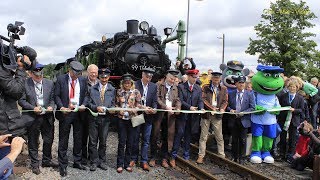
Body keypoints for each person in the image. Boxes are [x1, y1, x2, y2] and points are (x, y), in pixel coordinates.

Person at [18, 63, 57, 174]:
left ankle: (46, 160)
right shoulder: (25, 84)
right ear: (31, 74)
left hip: (47, 117)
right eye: (37, 75)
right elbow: (21, 101)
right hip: (32, 117)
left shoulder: (49, 83)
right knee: (33, 141)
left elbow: (53, 98)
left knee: (48, 140)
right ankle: (34, 163)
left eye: (41, 75)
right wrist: (32, 108)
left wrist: (51, 106)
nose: (39, 77)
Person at [54, 61, 88, 176]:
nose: (77, 76)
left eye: (79, 74)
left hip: (78, 113)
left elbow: (86, 95)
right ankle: (62, 165)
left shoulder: (83, 80)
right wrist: (61, 107)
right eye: (75, 74)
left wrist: (83, 104)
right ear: (70, 70)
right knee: (63, 139)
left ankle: (77, 161)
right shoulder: (61, 79)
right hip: (65, 113)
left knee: (78, 139)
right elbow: (56, 96)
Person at [171, 69, 204, 166]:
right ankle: (173, 155)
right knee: (179, 134)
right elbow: (180, 100)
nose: (195, 79)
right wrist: (189, 107)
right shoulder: (181, 87)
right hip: (183, 116)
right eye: (193, 77)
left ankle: (186, 155)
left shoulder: (198, 88)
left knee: (188, 136)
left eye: (196, 77)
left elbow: (200, 100)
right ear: (189, 77)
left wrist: (201, 108)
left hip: (192, 117)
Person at [85, 68, 115, 171]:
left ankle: (102, 161)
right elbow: (88, 102)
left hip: (105, 119)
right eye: (102, 77)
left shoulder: (112, 89)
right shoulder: (92, 89)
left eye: (106, 77)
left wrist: (111, 109)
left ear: (109, 77)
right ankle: (94, 161)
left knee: (103, 141)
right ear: (99, 77)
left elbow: (113, 103)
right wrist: (95, 108)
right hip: (94, 117)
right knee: (93, 141)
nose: (104, 79)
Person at [196, 72, 228, 164]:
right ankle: (201, 155)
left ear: (220, 79)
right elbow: (203, 99)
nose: (216, 81)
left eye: (217, 79)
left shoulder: (223, 89)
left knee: (219, 136)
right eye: (214, 79)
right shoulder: (206, 87)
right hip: (207, 115)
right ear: (212, 79)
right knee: (203, 136)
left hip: (217, 115)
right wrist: (211, 108)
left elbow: (225, 101)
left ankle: (221, 155)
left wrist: (222, 108)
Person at [152, 69, 181, 168]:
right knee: (155, 135)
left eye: (174, 79)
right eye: (171, 78)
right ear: (166, 77)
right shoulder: (159, 85)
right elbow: (157, 98)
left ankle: (164, 158)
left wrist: (178, 108)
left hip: (170, 116)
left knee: (167, 137)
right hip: (160, 115)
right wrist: (165, 107)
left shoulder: (175, 88)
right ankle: (153, 157)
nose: (172, 81)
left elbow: (177, 100)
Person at [131, 68, 157, 171]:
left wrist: (154, 109)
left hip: (149, 116)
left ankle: (144, 161)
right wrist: (143, 108)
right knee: (135, 138)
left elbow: (155, 100)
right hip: (138, 114)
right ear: (142, 75)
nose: (149, 79)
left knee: (146, 140)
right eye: (147, 77)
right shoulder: (135, 84)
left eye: (150, 77)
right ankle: (133, 158)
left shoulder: (154, 86)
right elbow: (132, 100)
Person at [115, 73, 142, 173]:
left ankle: (127, 164)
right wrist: (118, 110)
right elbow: (115, 104)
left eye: (129, 83)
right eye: (125, 83)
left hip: (133, 119)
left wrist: (135, 109)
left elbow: (139, 104)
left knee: (130, 142)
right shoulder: (118, 92)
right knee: (122, 142)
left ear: (131, 83)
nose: (127, 84)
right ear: (122, 83)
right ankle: (119, 164)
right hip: (121, 119)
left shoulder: (136, 92)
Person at [226, 76, 255, 164]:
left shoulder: (249, 94)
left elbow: (253, 107)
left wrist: (244, 112)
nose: (241, 84)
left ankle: (241, 157)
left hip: (244, 120)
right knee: (234, 140)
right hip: (234, 120)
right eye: (239, 83)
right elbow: (226, 105)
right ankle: (234, 156)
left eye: (243, 83)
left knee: (243, 140)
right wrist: (230, 110)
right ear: (236, 84)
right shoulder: (231, 93)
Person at [278, 81, 305, 163]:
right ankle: (282, 154)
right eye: (290, 87)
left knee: (292, 139)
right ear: (288, 87)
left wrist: (294, 110)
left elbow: (301, 109)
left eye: (294, 87)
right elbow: (279, 106)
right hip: (283, 119)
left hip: (293, 120)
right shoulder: (283, 96)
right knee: (282, 138)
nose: (292, 88)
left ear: (297, 88)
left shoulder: (300, 98)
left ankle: (290, 155)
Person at [81, 64, 99, 165]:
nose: (94, 74)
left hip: (95, 113)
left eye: (95, 72)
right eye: (92, 72)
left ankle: (91, 156)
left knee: (93, 137)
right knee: (83, 136)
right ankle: (83, 157)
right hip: (85, 113)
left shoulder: (99, 83)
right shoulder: (82, 82)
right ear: (88, 72)